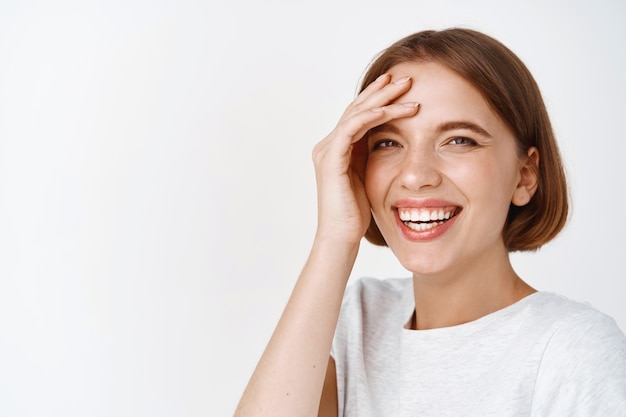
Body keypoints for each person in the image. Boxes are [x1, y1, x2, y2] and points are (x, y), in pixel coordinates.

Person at [234, 28, 626, 416]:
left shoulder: (573, 349)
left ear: (524, 175)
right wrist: (334, 238)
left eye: (459, 140)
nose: (415, 174)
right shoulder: (357, 317)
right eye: (388, 143)